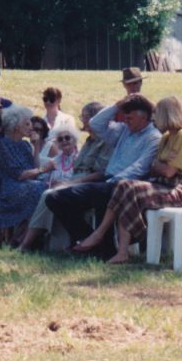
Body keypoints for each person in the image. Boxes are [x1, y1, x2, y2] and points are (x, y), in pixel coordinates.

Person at [73, 96, 182, 263]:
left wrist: (162, 165)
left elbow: (168, 172)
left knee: (126, 188)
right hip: (159, 185)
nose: (155, 117)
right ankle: (121, 251)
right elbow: (154, 167)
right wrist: (162, 164)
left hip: (174, 189)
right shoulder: (166, 137)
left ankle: (102, 235)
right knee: (124, 186)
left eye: (158, 113)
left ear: (168, 113)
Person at [45, 94, 162, 250]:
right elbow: (95, 123)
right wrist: (116, 106)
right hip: (107, 180)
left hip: (125, 184)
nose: (126, 121)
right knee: (54, 197)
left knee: (101, 194)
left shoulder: (153, 137)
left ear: (144, 117)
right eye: (125, 117)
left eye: (130, 118)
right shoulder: (124, 131)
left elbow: (140, 167)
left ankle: (101, 248)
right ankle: (90, 241)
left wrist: (112, 180)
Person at [19, 102, 114, 251]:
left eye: (85, 117)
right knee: (48, 193)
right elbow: (45, 167)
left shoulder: (106, 142)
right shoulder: (89, 141)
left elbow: (102, 173)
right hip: (76, 181)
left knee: (49, 194)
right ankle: (72, 240)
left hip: (91, 185)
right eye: (82, 116)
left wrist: (71, 183)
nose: (82, 120)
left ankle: (27, 243)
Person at [0, 105, 48, 244]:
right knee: (38, 188)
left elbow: (34, 170)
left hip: (26, 185)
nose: (31, 127)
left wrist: (36, 146)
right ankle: (22, 239)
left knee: (41, 188)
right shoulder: (4, 145)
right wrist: (44, 169)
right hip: (9, 187)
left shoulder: (26, 145)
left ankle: (22, 238)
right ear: (15, 126)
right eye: (26, 124)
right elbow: (19, 175)